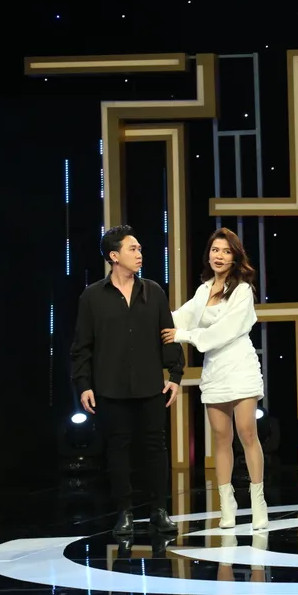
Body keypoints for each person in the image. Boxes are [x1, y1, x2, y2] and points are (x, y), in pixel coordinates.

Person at [70, 225, 185, 535]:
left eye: (139, 249)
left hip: (150, 385)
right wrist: (84, 384)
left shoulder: (154, 291)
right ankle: (124, 512)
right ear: (114, 256)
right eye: (132, 249)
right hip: (110, 386)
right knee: (117, 448)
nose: (139, 254)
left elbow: (168, 336)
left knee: (155, 446)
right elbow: (82, 345)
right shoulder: (93, 296)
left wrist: (175, 375)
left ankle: (159, 510)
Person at [161, 228, 268, 531]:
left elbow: (226, 331)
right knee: (221, 438)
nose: (219, 256)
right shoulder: (203, 290)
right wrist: (153, 318)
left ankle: (258, 502)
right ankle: (227, 505)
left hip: (240, 366)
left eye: (226, 251)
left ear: (235, 256)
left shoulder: (242, 290)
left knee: (247, 433)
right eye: (215, 250)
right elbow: (180, 317)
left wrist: (184, 336)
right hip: (215, 370)